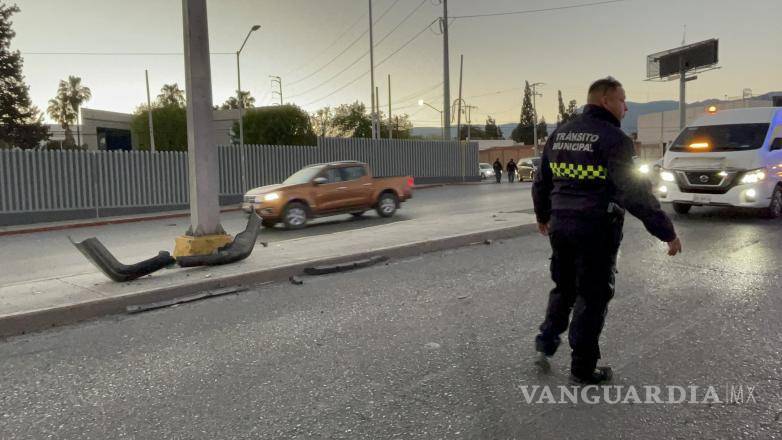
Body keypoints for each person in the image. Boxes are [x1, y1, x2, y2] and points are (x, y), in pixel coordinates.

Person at [531, 77, 683, 385]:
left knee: (564, 286)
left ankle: (546, 340)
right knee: (593, 294)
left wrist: (543, 214)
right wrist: (666, 231)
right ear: (605, 101)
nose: (626, 107)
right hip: (596, 228)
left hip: (561, 224)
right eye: (622, 101)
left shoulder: (559, 133)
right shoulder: (614, 138)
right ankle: (583, 368)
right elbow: (634, 192)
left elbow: (542, 180)